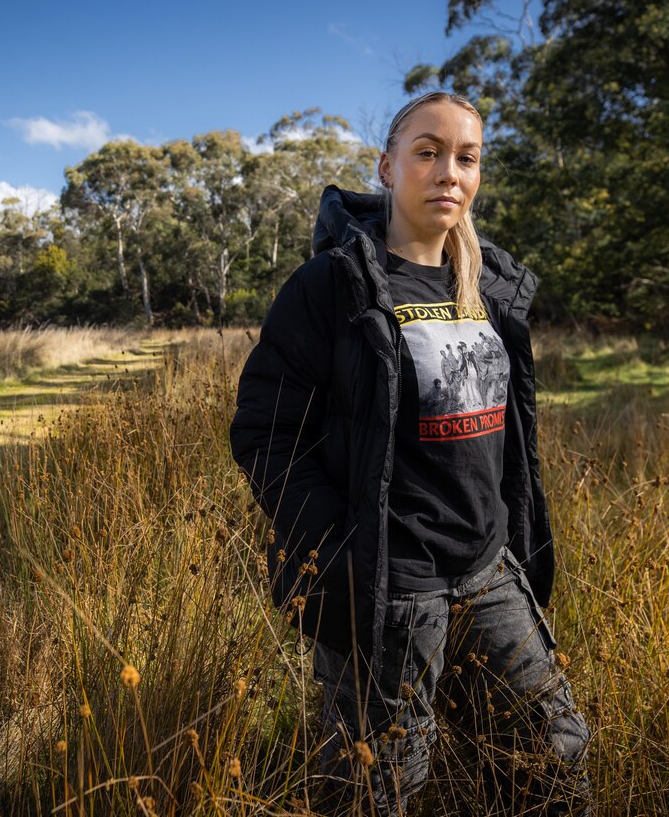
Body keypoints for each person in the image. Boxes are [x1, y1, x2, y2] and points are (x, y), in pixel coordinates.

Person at [229, 92, 591, 815]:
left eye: (467, 157)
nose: (448, 172)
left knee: (553, 755)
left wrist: (515, 542)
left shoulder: (490, 285)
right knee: (381, 786)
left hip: (489, 570)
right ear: (388, 167)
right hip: (388, 583)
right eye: (427, 152)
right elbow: (266, 431)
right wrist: (339, 549)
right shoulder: (334, 286)